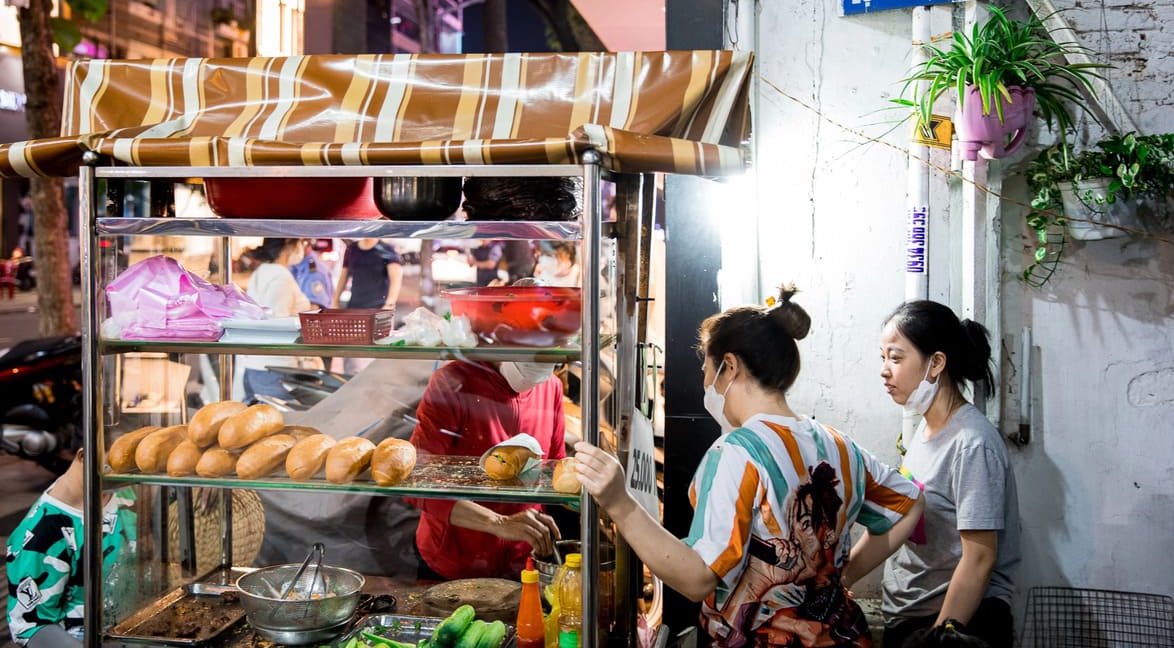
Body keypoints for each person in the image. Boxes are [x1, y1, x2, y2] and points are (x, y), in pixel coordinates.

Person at [574, 285, 924, 646]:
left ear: (730, 366)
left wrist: (619, 502)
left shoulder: (737, 453)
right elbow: (908, 504)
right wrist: (840, 578)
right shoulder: (840, 445)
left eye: (706, 368)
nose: (706, 382)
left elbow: (697, 578)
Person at [877, 300, 1021, 648]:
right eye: (882, 358)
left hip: (954, 625)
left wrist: (941, 637)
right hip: (914, 618)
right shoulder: (924, 435)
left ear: (936, 363)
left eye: (896, 358)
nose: (884, 370)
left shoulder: (972, 445)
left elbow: (980, 558)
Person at [409, 358, 565, 580]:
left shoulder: (551, 387)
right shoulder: (453, 382)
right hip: (453, 560)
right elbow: (417, 481)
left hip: (522, 562)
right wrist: (498, 523)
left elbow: (555, 467)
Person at [6, 449, 137, 647]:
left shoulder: (124, 490)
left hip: (139, 621)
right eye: (118, 463)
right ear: (84, 456)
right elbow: (31, 626)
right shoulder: (42, 533)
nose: (128, 472)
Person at [235, 238, 322, 403]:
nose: (303, 248)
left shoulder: (262, 272)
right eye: (301, 243)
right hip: (276, 369)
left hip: (257, 366)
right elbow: (278, 322)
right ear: (289, 245)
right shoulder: (280, 277)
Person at [333, 238, 403, 310]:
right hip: (355, 305)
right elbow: (343, 277)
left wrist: (389, 304)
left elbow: (396, 280)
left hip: (379, 306)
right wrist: (335, 302)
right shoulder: (352, 249)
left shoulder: (386, 249)